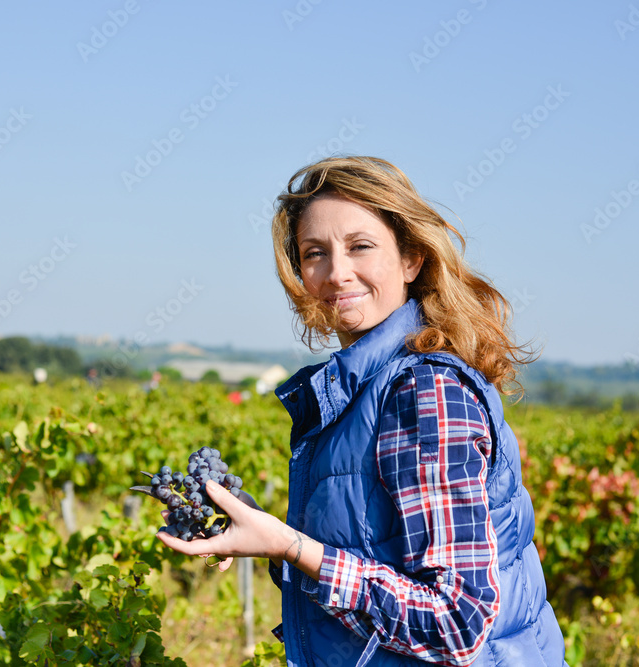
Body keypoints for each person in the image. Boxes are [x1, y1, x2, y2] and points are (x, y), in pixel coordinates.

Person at [157, 156, 566, 666]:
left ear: (412, 259)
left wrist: (291, 547)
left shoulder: (424, 392)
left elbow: (457, 622)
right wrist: (266, 539)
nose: (336, 272)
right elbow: (372, 562)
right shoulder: (359, 391)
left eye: (360, 246)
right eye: (315, 253)